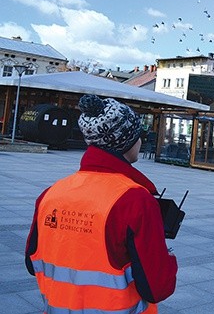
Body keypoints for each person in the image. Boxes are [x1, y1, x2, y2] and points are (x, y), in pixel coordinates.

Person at [25, 95, 177, 313]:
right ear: (124, 141)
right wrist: (166, 258)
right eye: (138, 136)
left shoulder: (51, 194)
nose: (141, 142)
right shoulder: (135, 200)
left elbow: (32, 263)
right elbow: (157, 288)